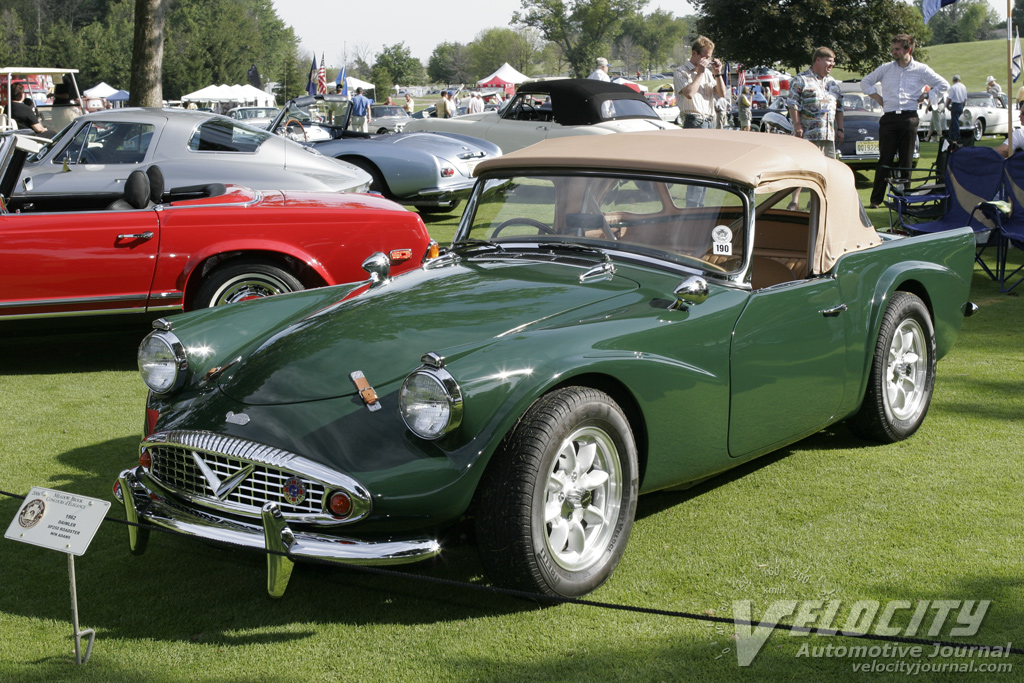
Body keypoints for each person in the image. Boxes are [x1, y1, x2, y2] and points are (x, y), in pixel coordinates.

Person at [860, 33, 948, 208]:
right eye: (893, 49)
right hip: (889, 117)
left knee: (906, 160)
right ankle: (876, 200)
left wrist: (927, 95)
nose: (894, 52)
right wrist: (878, 98)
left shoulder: (921, 69)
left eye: (897, 49)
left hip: (909, 117)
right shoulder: (886, 68)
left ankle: (903, 199)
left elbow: (944, 85)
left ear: (908, 49)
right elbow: (865, 82)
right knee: (884, 159)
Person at [788, 46, 845, 158]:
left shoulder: (832, 83)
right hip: (808, 136)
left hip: (828, 136)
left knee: (828, 168)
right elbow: (792, 103)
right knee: (810, 168)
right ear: (818, 60)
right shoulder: (801, 79)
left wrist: (840, 129)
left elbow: (839, 107)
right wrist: (797, 125)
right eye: (829, 61)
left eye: (833, 61)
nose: (832, 64)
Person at [674, 35, 725, 129]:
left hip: (710, 120)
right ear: (694, 53)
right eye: (705, 57)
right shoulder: (680, 71)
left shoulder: (708, 73)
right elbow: (689, 94)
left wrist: (718, 73)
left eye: (709, 58)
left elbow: (722, 94)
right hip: (694, 121)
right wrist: (700, 72)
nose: (707, 61)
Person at [947, 74, 967, 142]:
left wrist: (947, 105)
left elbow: (949, 98)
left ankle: (956, 136)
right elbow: (965, 99)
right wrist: (963, 106)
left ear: (953, 80)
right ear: (959, 80)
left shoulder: (953, 87)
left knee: (955, 121)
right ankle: (950, 135)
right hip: (960, 105)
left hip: (955, 105)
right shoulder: (963, 87)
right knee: (953, 121)